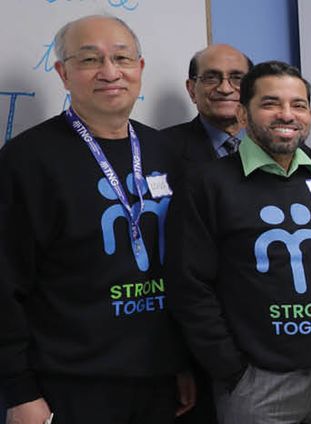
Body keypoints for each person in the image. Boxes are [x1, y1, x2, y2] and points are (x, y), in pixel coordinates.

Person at [0, 14, 191, 424]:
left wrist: (182, 361)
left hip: (159, 379)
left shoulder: (165, 152)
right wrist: (19, 391)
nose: (109, 72)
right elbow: (4, 283)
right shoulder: (25, 161)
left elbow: (185, 267)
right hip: (69, 385)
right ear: (63, 73)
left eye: (121, 58)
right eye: (89, 60)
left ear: (139, 69)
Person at [168, 61, 311, 423]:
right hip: (260, 383)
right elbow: (189, 286)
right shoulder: (208, 184)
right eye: (271, 103)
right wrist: (230, 369)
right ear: (243, 114)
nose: (286, 115)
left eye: (299, 105)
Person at [164, 44, 253, 166]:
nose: (225, 89)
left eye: (237, 78)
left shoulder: (274, 143)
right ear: (192, 90)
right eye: (211, 78)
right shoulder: (162, 148)